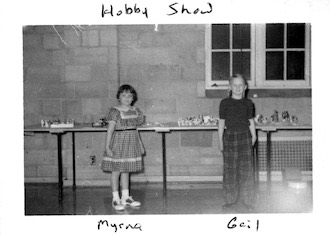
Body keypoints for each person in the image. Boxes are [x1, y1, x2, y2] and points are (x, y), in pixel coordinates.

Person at [102, 84, 145, 211]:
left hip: (132, 142)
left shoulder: (135, 111)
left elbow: (135, 129)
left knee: (126, 170)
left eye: (130, 95)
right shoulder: (114, 112)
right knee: (116, 171)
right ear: (118, 97)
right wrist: (107, 147)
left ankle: (125, 197)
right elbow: (109, 130)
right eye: (123, 95)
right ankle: (115, 198)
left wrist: (141, 145)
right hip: (118, 143)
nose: (127, 98)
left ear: (133, 98)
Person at [218, 74, 257, 211]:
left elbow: (251, 121)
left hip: (245, 137)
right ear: (230, 87)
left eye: (241, 85)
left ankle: (248, 201)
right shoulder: (225, 103)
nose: (238, 88)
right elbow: (221, 123)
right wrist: (220, 140)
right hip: (229, 138)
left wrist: (254, 136)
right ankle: (229, 200)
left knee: (246, 170)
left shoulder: (248, 103)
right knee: (230, 170)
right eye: (235, 85)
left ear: (245, 87)